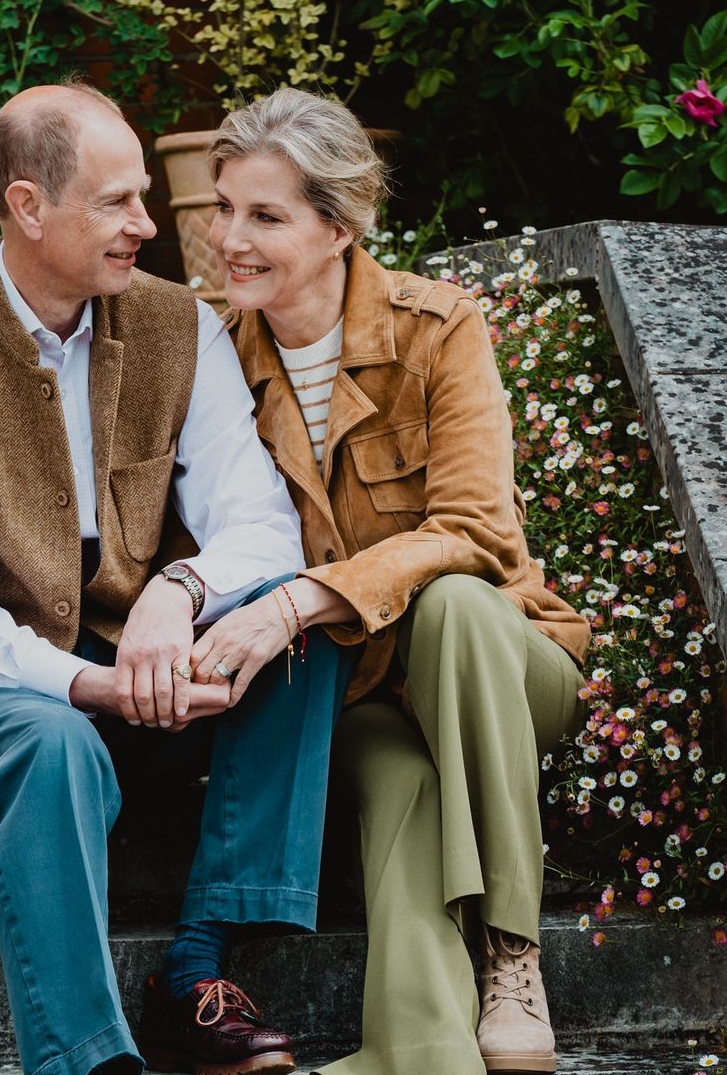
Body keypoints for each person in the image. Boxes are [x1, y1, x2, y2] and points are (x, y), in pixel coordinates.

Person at [0, 79, 354, 1075]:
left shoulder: (181, 327)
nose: (149, 222)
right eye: (119, 201)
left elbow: (260, 525)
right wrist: (85, 686)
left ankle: (198, 968)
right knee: (53, 744)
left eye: (144, 198)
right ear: (29, 208)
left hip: (138, 645)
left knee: (296, 627)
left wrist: (180, 593)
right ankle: (87, 1060)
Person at [190, 89, 591, 1075]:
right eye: (222, 207)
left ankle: (512, 956)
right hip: (360, 689)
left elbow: (476, 529)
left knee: (452, 602)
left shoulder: (438, 327)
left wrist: (302, 596)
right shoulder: (207, 351)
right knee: (401, 785)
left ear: (340, 226)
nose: (228, 239)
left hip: (506, 665)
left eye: (265, 216)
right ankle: (423, 1052)